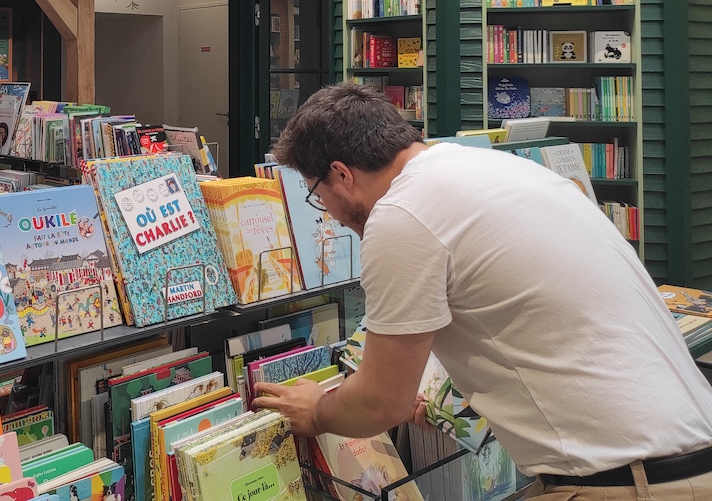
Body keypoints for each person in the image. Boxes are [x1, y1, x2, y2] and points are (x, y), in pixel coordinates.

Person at [252, 82, 712, 499]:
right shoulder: (489, 168)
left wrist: (317, 412)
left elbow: (380, 402)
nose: (326, 212)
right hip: (682, 453)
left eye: (316, 193)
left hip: (626, 481)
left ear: (341, 174)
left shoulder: (401, 215)